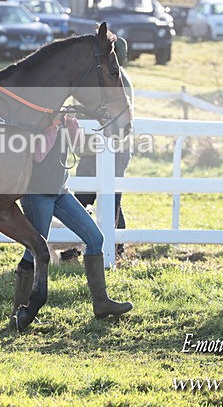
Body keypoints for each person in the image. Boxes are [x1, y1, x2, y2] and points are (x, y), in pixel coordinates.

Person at [11, 111, 133, 321]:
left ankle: (101, 303)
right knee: (35, 249)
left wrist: (71, 123)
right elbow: (38, 155)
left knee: (95, 238)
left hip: (60, 190)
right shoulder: (38, 120)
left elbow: (78, 146)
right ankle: (19, 311)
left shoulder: (63, 120)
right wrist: (53, 127)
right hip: (37, 193)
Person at [73, 37, 134, 232]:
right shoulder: (100, 77)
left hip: (113, 150)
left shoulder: (116, 79)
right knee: (83, 200)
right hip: (92, 149)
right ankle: (78, 243)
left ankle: (115, 243)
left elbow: (107, 112)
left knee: (109, 201)